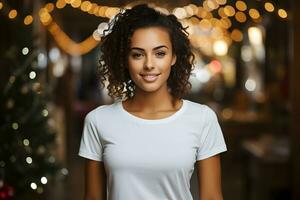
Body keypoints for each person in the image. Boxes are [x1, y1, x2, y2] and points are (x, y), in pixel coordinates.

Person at [78, 4, 227, 200]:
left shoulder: (202, 119)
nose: (149, 64)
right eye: (137, 54)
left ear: (174, 57)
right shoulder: (98, 121)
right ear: (124, 59)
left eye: (160, 53)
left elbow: (212, 197)